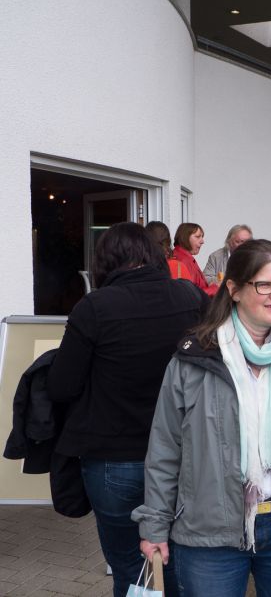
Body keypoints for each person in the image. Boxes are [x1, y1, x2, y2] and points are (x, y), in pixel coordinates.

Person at [132, 239, 271, 597]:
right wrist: (154, 525)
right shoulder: (194, 360)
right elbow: (165, 448)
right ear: (232, 289)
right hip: (208, 533)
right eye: (264, 285)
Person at [45, 222, 207, 597]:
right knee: (183, 563)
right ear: (153, 255)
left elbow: (62, 386)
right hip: (185, 456)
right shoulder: (190, 297)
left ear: (105, 261)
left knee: (131, 570)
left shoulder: (94, 307)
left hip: (113, 460)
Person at [173, 222, 218, 296]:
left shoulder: (182, 256)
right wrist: (215, 288)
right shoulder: (183, 260)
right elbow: (191, 294)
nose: (202, 241)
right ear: (185, 238)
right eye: (197, 237)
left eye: (202, 237)